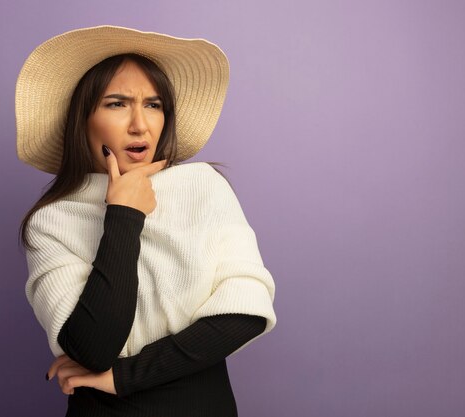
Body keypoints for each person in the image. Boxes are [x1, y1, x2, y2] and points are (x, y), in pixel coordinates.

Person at [16, 25, 277, 416]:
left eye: (153, 105)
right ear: (82, 118)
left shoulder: (203, 187)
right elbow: (92, 346)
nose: (140, 124)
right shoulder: (52, 221)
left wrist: (124, 376)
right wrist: (124, 214)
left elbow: (246, 313)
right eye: (117, 104)